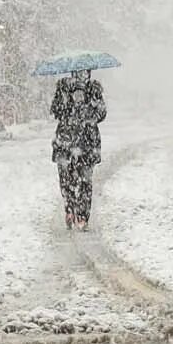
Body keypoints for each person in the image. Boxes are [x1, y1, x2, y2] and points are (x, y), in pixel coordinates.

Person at [51, 69, 106, 230]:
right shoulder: (75, 89)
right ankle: (78, 214)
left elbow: (56, 111)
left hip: (70, 140)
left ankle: (74, 211)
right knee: (80, 180)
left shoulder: (70, 88)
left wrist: (78, 110)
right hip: (82, 141)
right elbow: (101, 113)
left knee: (72, 179)